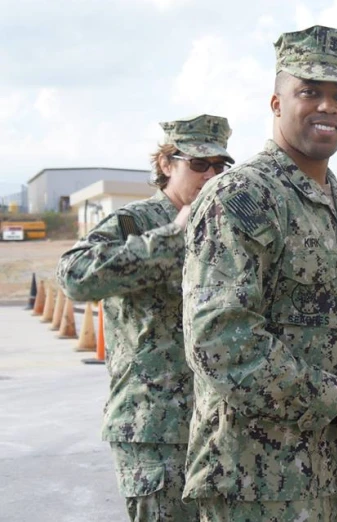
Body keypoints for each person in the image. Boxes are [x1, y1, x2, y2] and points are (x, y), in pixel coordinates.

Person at [181, 25, 337, 521]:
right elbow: (220, 339)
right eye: (310, 92)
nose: (328, 107)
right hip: (258, 486)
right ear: (277, 103)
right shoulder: (243, 197)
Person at [57, 114, 234, 521]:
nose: (211, 174)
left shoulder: (223, 227)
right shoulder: (135, 222)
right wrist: (172, 237)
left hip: (214, 423)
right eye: (199, 164)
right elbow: (73, 275)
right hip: (154, 426)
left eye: (219, 166)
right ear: (167, 164)